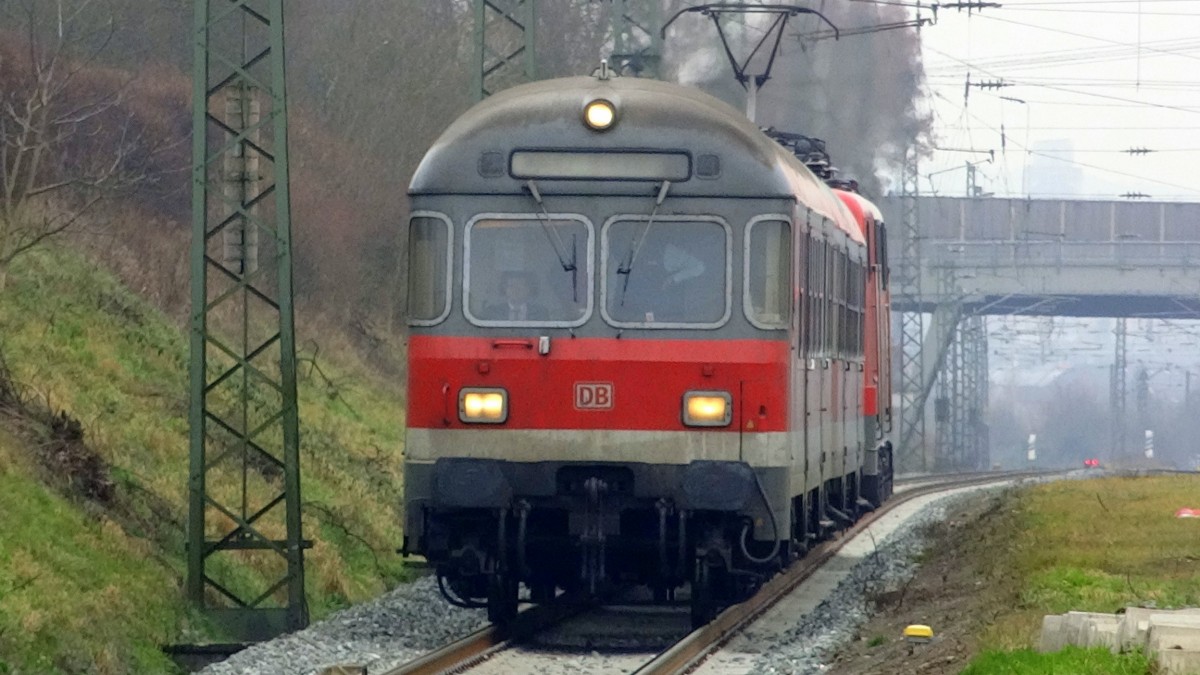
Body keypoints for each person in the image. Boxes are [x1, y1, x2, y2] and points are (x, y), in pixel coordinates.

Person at [482, 272, 547, 321]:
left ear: (528, 289)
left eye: (520, 286)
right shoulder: (493, 312)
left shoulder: (540, 313)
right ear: (505, 289)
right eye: (511, 286)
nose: (516, 289)